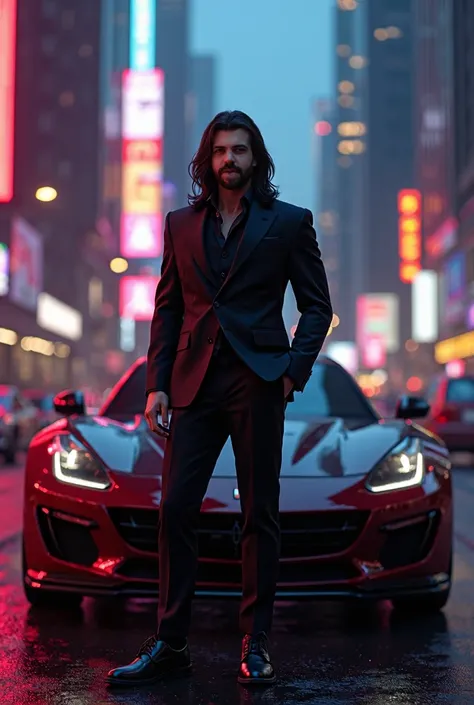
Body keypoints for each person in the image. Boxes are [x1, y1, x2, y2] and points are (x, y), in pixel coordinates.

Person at [106, 110, 333, 688]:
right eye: (220, 151)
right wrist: (158, 382)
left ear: (256, 159)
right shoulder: (181, 224)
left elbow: (316, 307)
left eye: (240, 150)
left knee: (260, 513)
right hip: (193, 384)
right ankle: (171, 642)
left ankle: (255, 645)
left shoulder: (289, 223)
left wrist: (291, 373)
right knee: (176, 508)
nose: (229, 159)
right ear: (207, 161)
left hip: (258, 381)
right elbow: (168, 307)